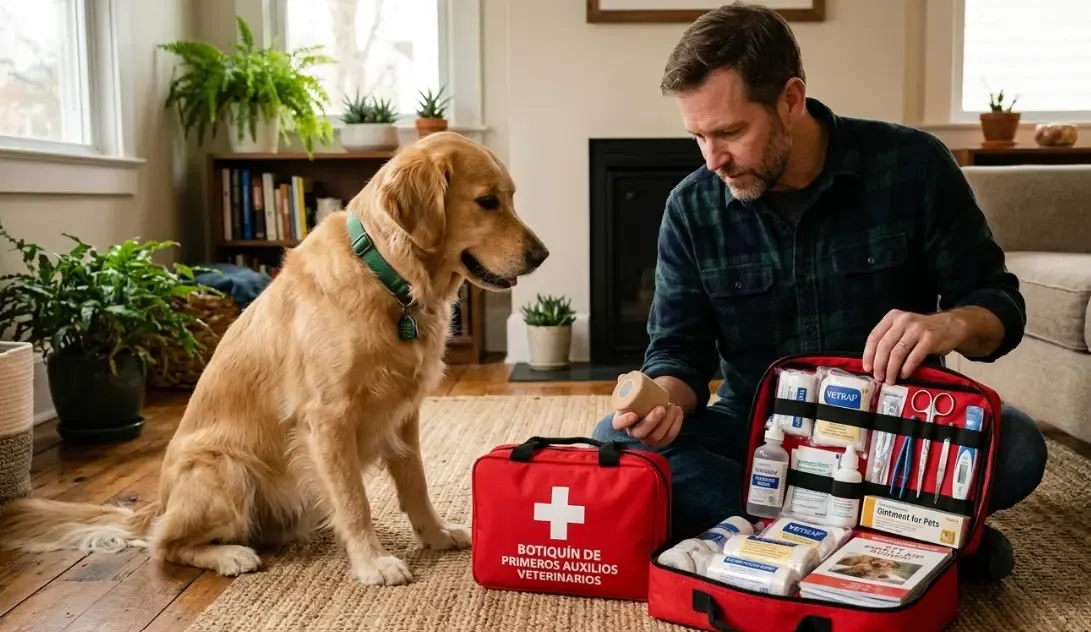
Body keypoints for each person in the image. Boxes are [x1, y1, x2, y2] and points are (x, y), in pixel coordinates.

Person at [590, 1, 1047, 582]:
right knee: (616, 442)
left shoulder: (912, 166)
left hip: (895, 435)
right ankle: (907, 537)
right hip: (759, 439)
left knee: (1020, 447)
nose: (715, 160)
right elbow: (678, 353)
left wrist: (949, 324)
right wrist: (663, 403)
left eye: (730, 132)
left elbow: (999, 305)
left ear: (790, 98)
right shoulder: (690, 206)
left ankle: (776, 531)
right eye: (698, 137)